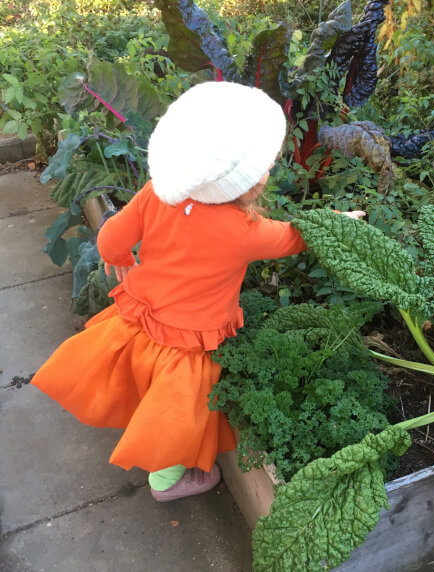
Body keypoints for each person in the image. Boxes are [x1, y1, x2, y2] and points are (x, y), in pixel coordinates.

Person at [32, 81, 365, 502]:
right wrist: (340, 219)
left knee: (141, 379)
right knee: (177, 416)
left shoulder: (158, 193)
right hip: (189, 343)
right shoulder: (246, 231)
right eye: (264, 167)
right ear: (249, 183)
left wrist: (121, 257)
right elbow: (297, 236)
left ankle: (148, 434)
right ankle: (165, 481)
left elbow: (112, 236)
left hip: (140, 316)